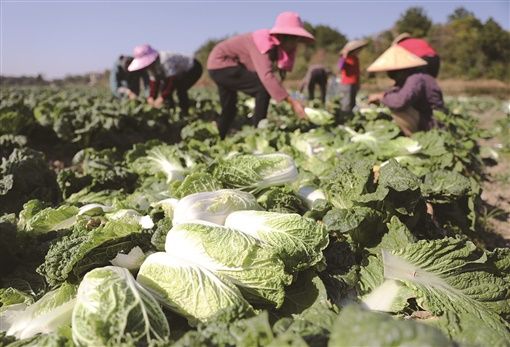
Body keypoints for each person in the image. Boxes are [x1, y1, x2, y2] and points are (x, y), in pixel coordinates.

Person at [207, 12, 315, 139]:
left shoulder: (276, 46)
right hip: (222, 64)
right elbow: (266, 77)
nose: (296, 44)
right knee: (262, 88)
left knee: (230, 109)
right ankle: (259, 133)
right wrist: (292, 102)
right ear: (284, 36)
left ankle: (219, 138)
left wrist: (285, 94)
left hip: (220, 68)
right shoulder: (263, 43)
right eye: (294, 39)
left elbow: (273, 76)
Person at [366, 45, 445, 136]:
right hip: (425, 119)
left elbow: (400, 101)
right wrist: (383, 95)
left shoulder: (416, 78)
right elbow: (397, 91)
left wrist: (382, 97)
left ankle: (414, 138)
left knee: (398, 111)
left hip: (432, 123)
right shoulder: (411, 76)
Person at [128, 44, 202, 115]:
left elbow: (172, 81)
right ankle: (170, 111)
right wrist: (152, 97)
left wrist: (162, 98)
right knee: (164, 91)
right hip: (177, 74)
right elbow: (154, 82)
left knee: (181, 89)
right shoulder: (150, 67)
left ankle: (185, 113)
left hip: (193, 68)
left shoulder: (164, 60)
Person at [337, 40, 367, 114]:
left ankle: (350, 117)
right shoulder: (345, 58)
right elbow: (340, 67)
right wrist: (344, 56)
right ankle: (344, 117)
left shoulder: (356, 59)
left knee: (352, 103)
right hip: (346, 84)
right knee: (346, 103)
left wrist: (358, 83)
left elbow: (357, 72)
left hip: (354, 83)